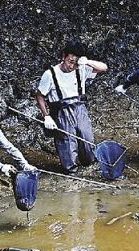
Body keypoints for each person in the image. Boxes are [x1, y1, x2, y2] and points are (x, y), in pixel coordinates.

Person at [36, 39, 108, 174]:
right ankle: (71, 170)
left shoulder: (81, 69)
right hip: (62, 112)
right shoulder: (50, 74)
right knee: (67, 143)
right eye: (70, 61)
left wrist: (86, 62)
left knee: (87, 141)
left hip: (80, 108)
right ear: (63, 56)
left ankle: (88, 163)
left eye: (75, 63)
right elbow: (40, 95)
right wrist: (46, 116)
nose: (72, 66)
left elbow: (104, 68)